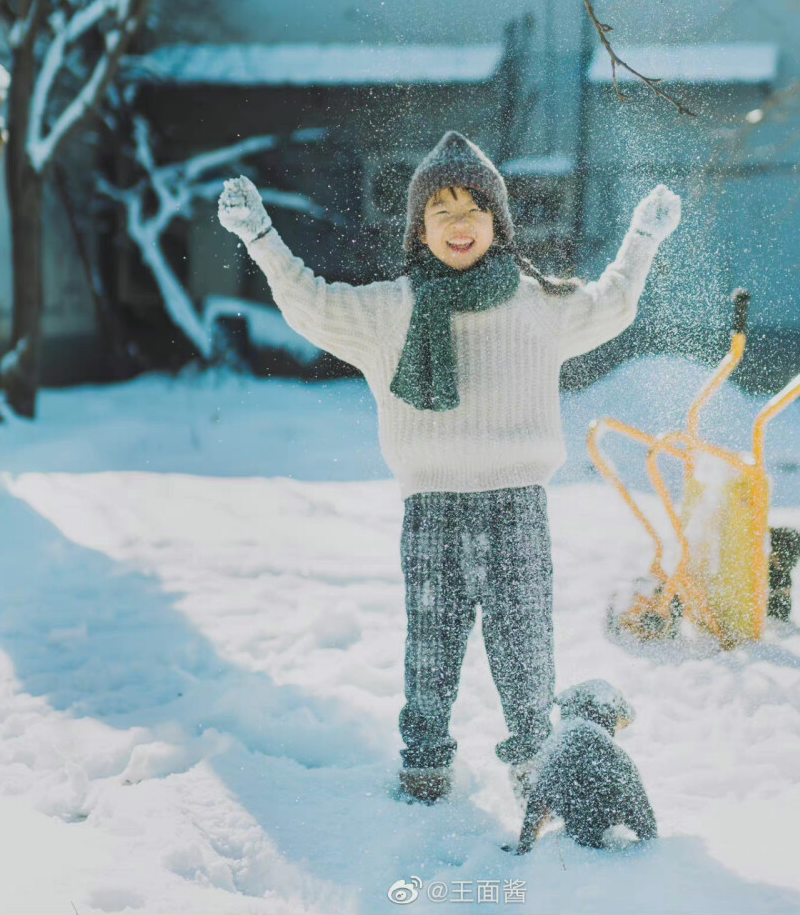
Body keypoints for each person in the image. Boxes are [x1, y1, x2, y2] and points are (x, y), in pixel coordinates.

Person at [217, 130, 681, 806]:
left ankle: (534, 765)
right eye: (442, 211)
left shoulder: (537, 304)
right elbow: (311, 302)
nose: (459, 224)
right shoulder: (389, 311)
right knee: (430, 646)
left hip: (517, 503)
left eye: (473, 210)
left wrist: (643, 236)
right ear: (420, 228)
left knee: (524, 648)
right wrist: (259, 234)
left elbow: (612, 304)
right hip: (430, 505)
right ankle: (425, 765)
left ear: (498, 223)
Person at [506, 679, 657, 853]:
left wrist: (524, 848)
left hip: (578, 839)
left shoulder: (561, 748)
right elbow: (644, 817)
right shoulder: (618, 759)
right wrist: (649, 837)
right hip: (613, 829)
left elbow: (538, 803)